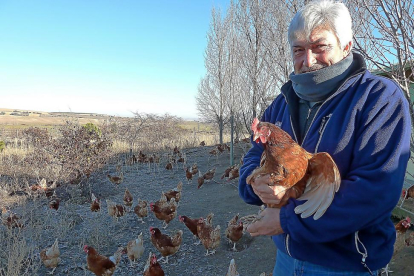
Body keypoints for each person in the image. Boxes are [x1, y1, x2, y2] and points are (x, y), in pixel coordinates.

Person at [238, 0, 411, 275]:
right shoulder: (282, 102)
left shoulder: (379, 98)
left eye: (320, 47)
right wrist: (254, 184)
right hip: (285, 258)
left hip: (344, 264)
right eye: (298, 50)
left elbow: (376, 191)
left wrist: (286, 220)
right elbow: (253, 153)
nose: (308, 60)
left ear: (346, 46)